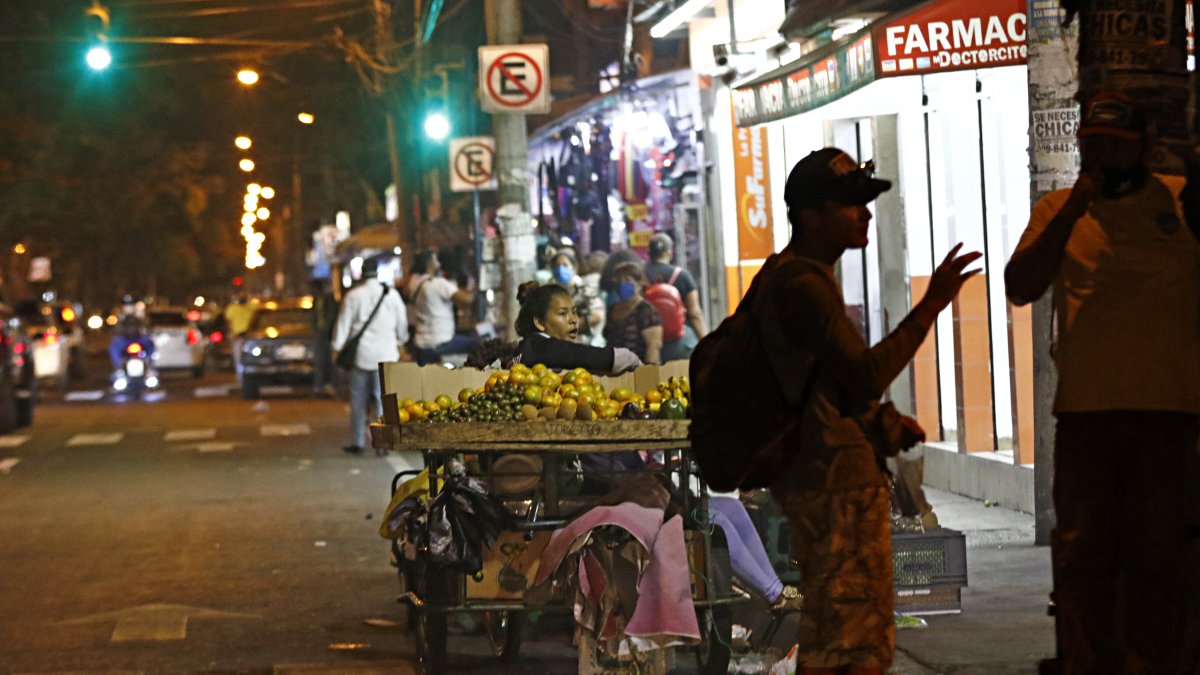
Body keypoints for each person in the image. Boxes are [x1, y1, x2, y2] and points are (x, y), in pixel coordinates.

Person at [761, 148, 979, 674]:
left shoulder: (796, 277)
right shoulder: (803, 284)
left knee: (838, 631)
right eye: (850, 204)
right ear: (810, 215)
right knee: (850, 641)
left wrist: (878, 424)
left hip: (825, 474)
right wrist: (932, 304)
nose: (864, 214)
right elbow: (864, 374)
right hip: (830, 483)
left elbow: (829, 386)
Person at [1005, 91, 1200, 674]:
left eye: (1118, 146)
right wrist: (1072, 212)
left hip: (1169, 414)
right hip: (1087, 415)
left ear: (1142, 147)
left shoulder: (1182, 201)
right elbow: (1021, 285)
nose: (1106, 157)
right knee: (1083, 556)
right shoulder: (1059, 208)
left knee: (1160, 556)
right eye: (1094, 147)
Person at [466, 283, 801, 611]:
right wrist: (625, 361)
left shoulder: (553, 368)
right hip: (587, 476)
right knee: (711, 516)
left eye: (574, 313)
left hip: (608, 464)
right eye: (562, 313)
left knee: (731, 510)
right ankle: (774, 595)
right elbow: (587, 355)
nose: (573, 321)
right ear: (540, 323)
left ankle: (776, 593)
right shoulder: (536, 350)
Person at [332, 257, 409, 455]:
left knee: (358, 399)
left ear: (361, 273)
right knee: (383, 400)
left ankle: (358, 441)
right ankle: (383, 443)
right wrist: (401, 341)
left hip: (361, 357)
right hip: (386, 356)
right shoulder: (392, 295)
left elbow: (343, 325)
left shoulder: (353, 296)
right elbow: (402, 325)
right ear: (377, 272)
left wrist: (337, 347)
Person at [407, 248, 479, 365]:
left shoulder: (414, 284)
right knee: (477, 343)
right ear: (429, 263)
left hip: (421, 344)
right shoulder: (439, 284)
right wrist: (476, 288)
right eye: (435, 259)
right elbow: (467, 299)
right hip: (441, 342)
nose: (438, 262)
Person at [645, 233, 707, 361]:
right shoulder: (682, 275)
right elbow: (695, 313)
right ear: (670, 253)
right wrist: (708, 344)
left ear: (649, 253)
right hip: (679, 343)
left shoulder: (639, 275)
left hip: (647, 342)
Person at [603, 261, 662, 364]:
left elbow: (653, 346)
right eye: (619, 280)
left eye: (627, 280)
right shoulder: (613, 309)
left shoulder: (646, 311)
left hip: (637, 370)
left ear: (639, 284)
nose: (622, 284)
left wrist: (648, 373)